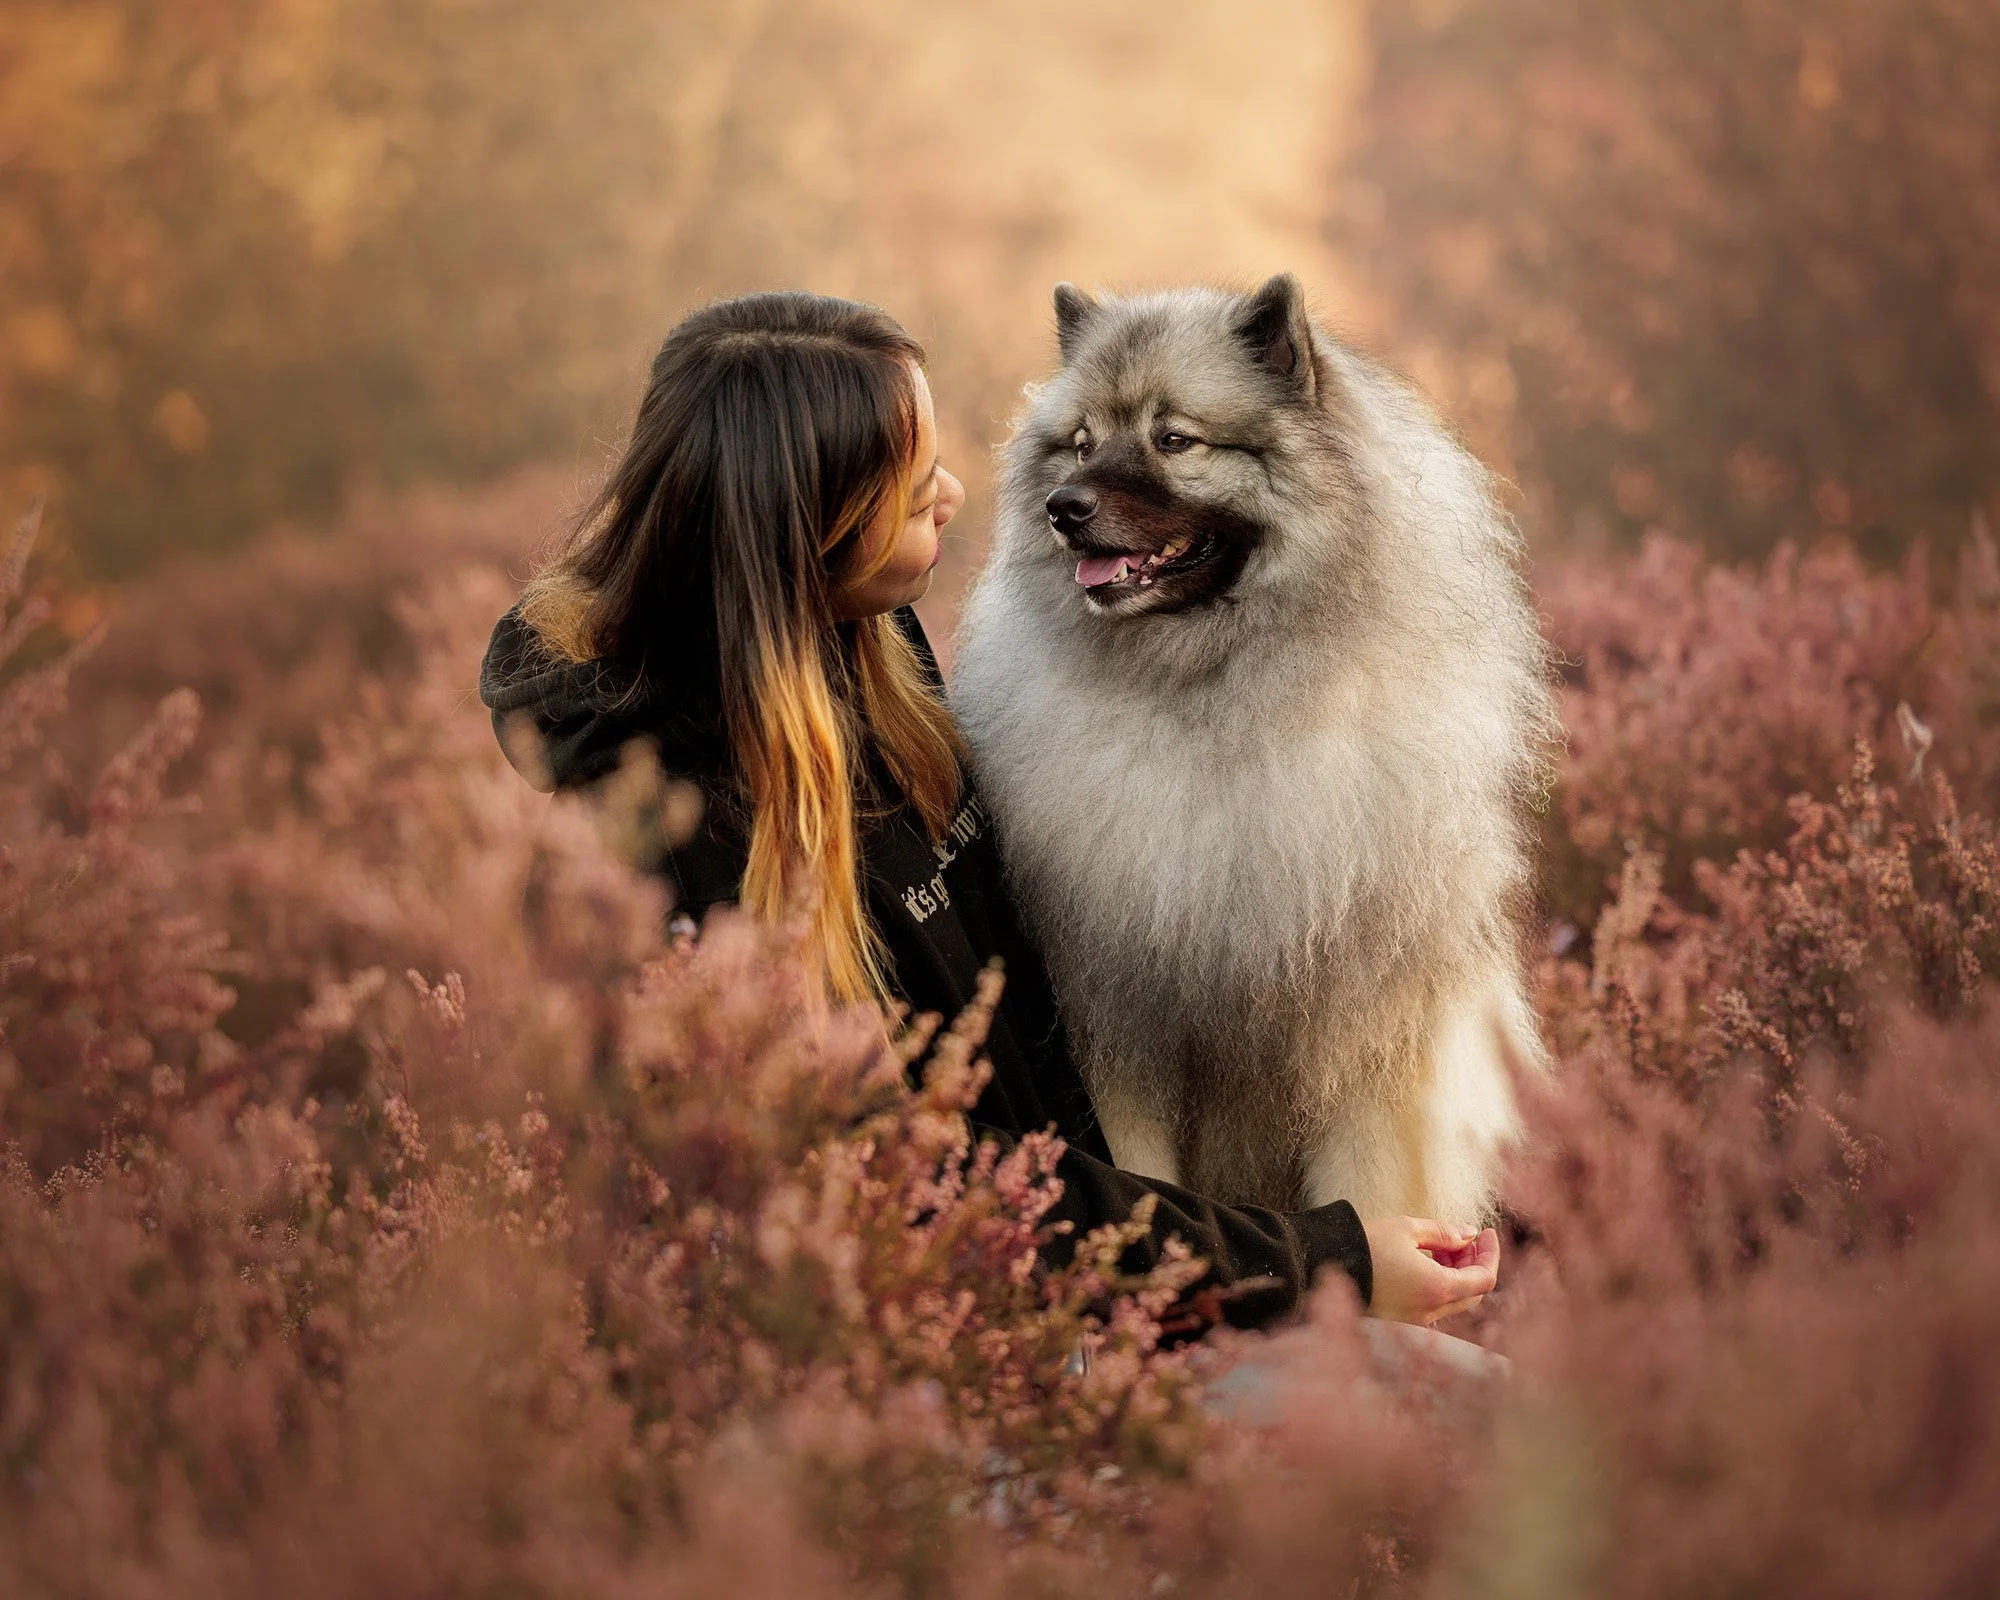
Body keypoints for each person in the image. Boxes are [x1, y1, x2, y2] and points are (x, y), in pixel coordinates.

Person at [479, 291, 1498, 1331]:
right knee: (1442, 1422)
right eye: (911, 483)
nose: (959, 494)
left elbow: (1043, 1069)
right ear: (803, 516)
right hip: (940, 1352)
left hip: (1094, 1276)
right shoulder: (683, 836)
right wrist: (1320, 1265)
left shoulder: (867, 661)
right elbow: (931, 1199)